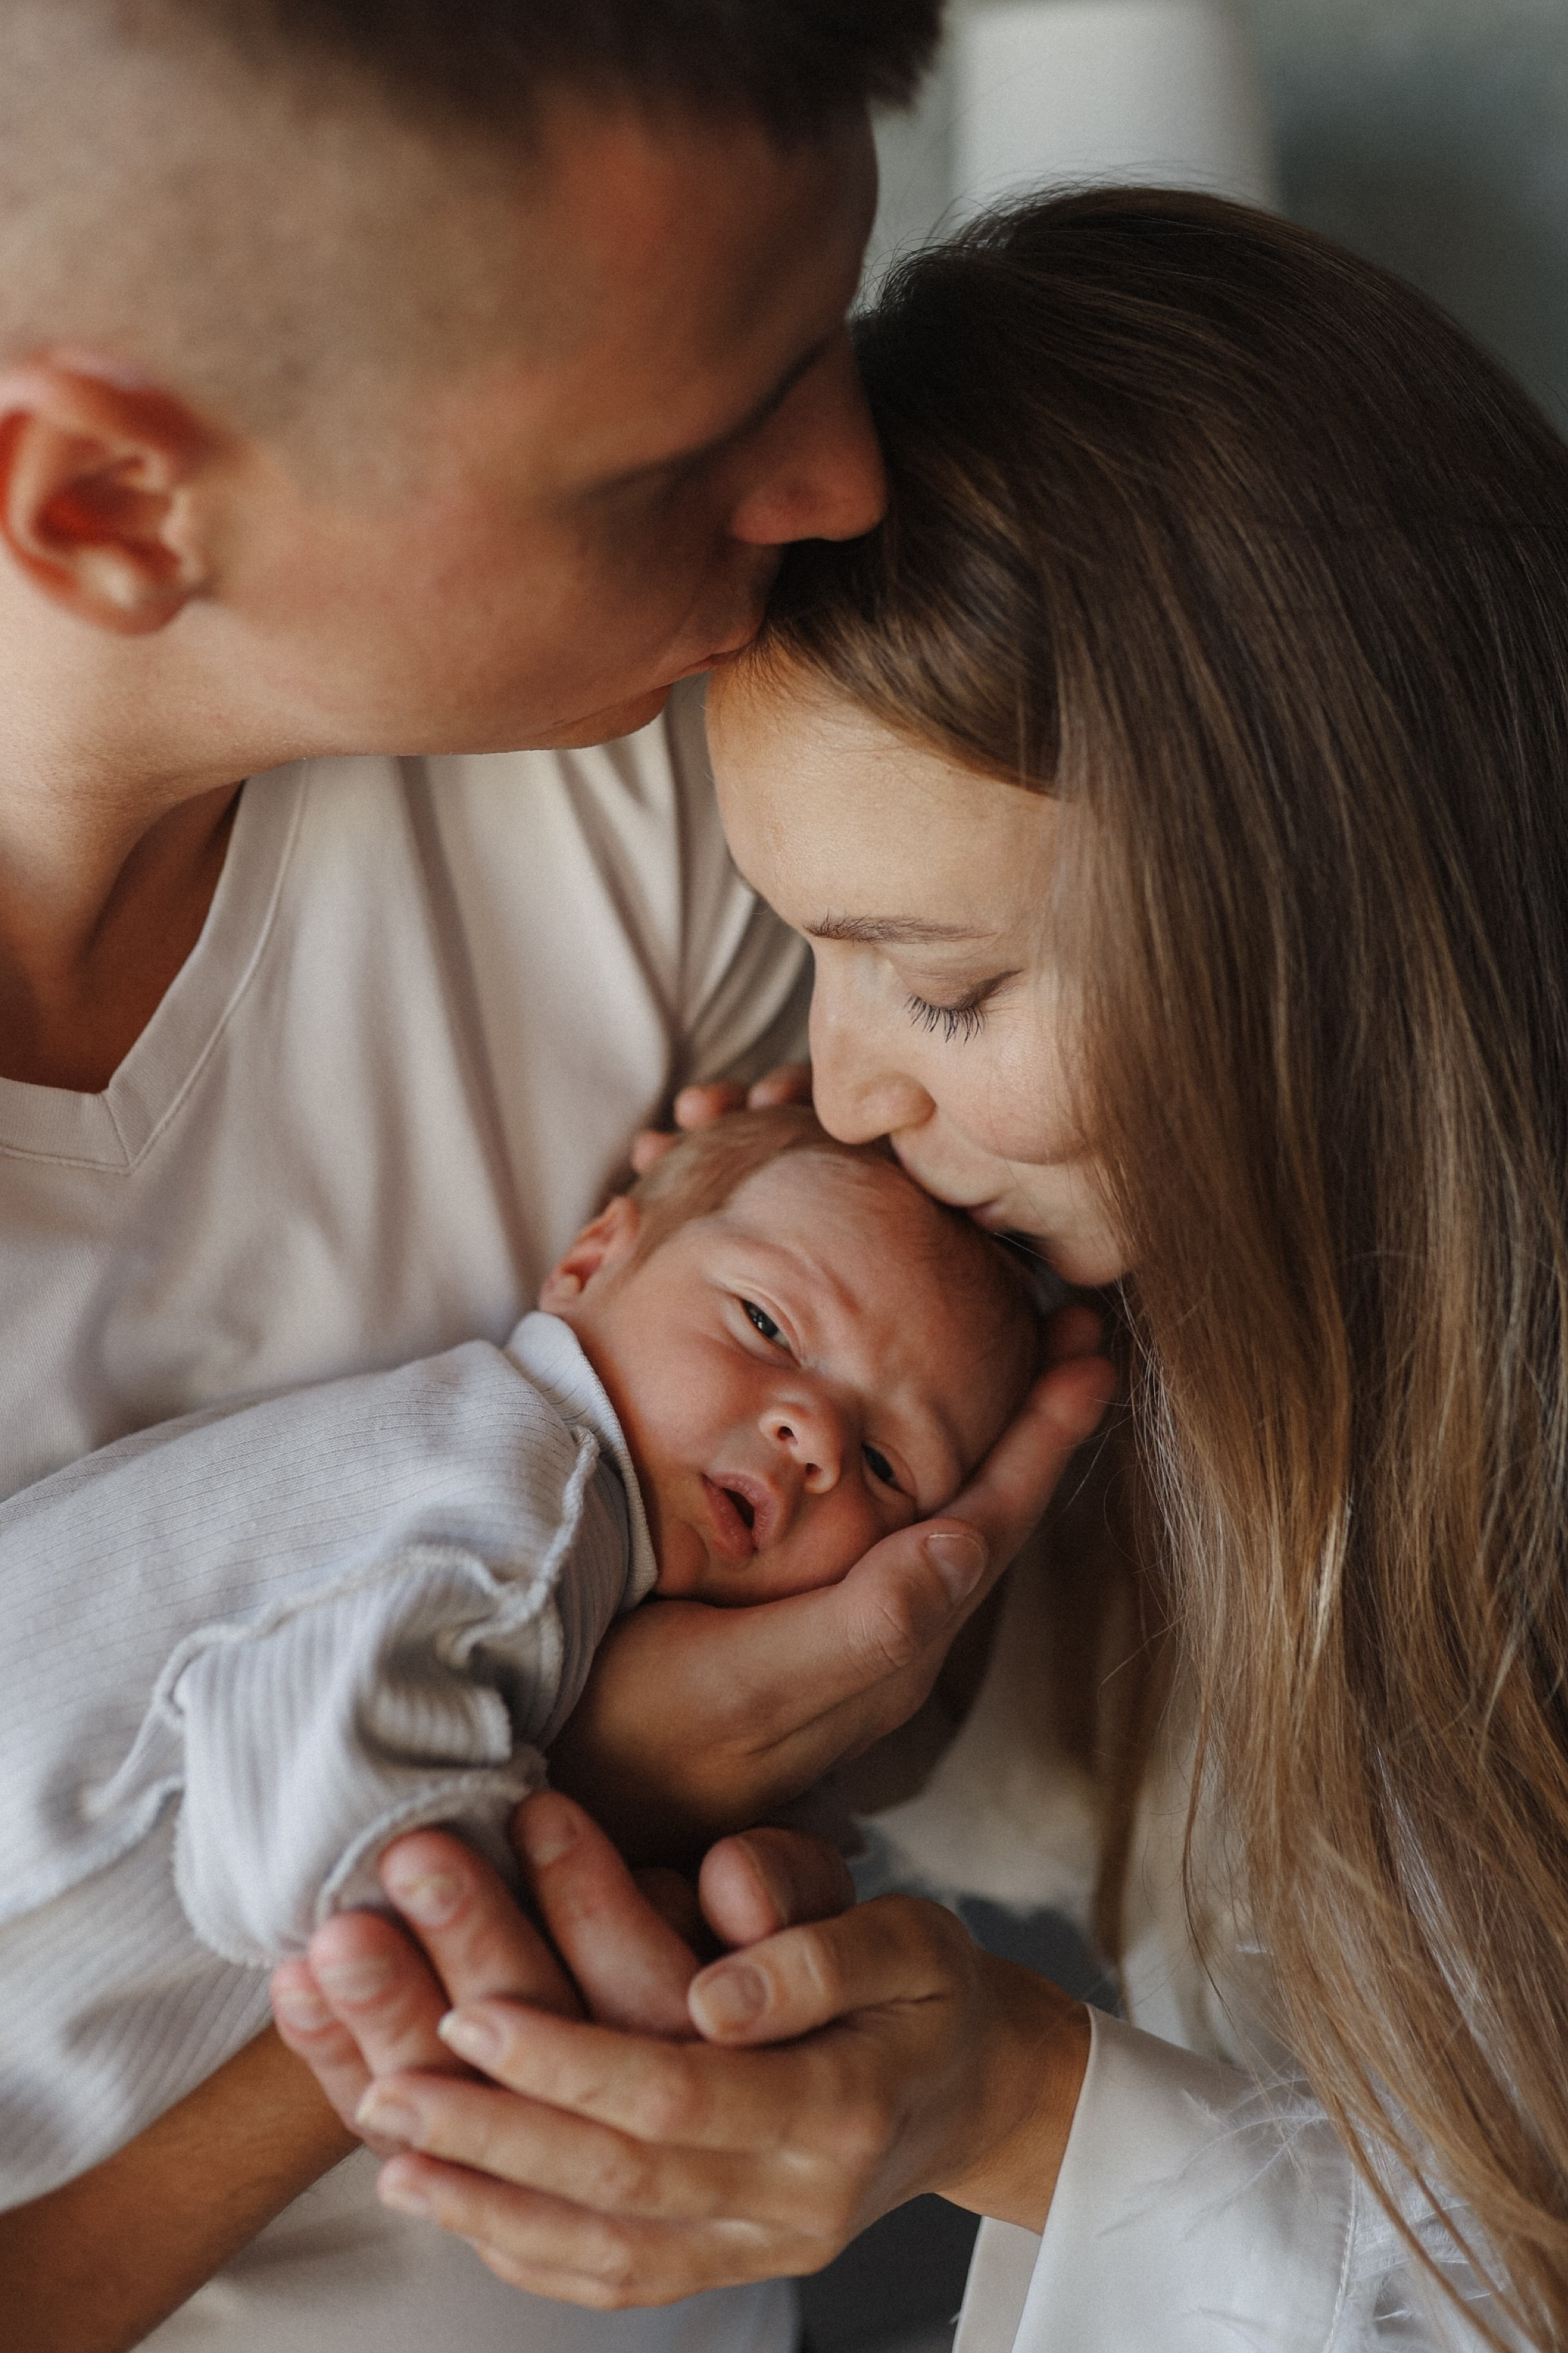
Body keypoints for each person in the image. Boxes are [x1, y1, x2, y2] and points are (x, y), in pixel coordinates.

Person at [283, 190, 1568, 2349]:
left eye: (944, 988)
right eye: (814, 954)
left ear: (1317, 926)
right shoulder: (1172, 1350)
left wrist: (1018, 2107)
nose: (845, 1089)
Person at [0, 6, 1117, 2350]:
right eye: (688, 439)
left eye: (825, 330)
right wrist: (584, 1795)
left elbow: (937, 1699)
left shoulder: (669, 773)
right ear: (102, 505)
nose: (841, 481)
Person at [1, 1108, 1041, 2213]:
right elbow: (328, 1808)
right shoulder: (529, 1502)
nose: (813, 1434)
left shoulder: (487, 1474)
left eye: (884, 1464)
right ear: (591, 1263)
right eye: (765, 1326)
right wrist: (562, 1936)